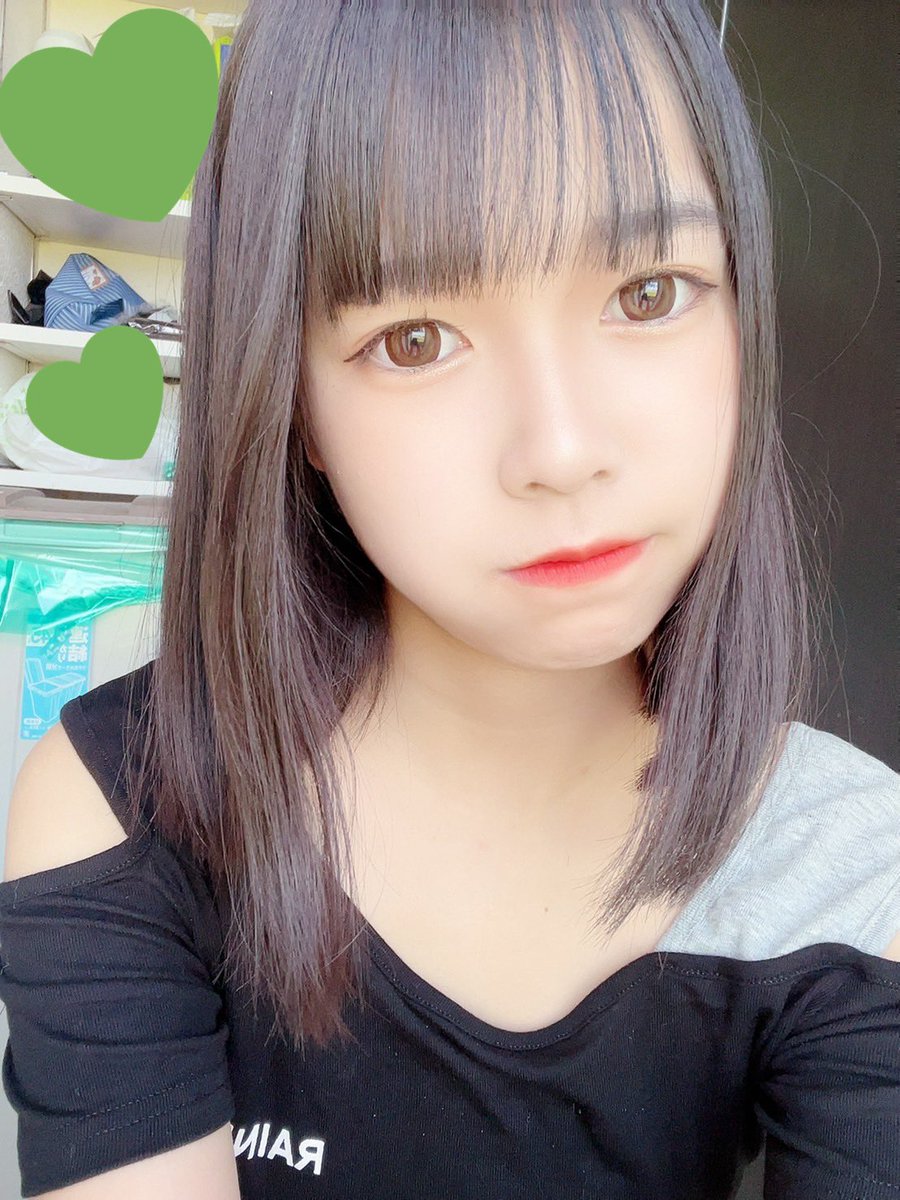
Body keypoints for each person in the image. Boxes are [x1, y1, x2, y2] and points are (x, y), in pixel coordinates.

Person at [1, 1, 897, 1197]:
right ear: (292, 403)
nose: (561, 450)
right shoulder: (127, 808)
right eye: (415, 339)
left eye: (649, 293)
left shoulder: (851, 873)